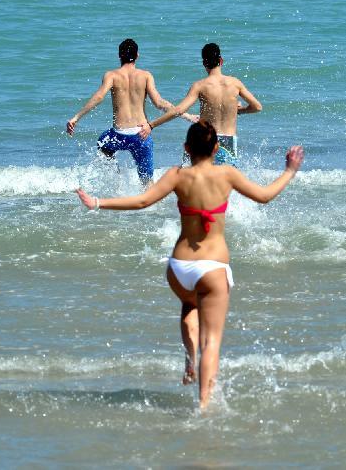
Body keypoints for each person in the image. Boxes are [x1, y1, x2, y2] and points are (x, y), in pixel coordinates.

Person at [76, 121, 304, 409]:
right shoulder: (227, 174)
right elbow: (265, 196)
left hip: (179, 268)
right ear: (217, 148)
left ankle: (189, 359)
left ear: (186, 148)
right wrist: (290, 170)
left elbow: (142, 201)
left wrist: (97, 202)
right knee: (213, 342)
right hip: (212, 267)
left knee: (189, 306)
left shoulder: (177, 175)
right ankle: (204, 406)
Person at [66, 39, 196, 184]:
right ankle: (149, 204)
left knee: (103, 143)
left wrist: (76, 117)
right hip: (141, 134)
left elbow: (98, 97)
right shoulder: (146, 76)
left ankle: (116, 178)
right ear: (137, 55)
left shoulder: (111, 75)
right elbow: (159, 103)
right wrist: (186, 115)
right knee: (147, 182)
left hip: (118, 135)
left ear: (119, 56)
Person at [140, 43, 263, 166]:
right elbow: (257, 107)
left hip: (204, 139)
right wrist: (239, 110)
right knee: (224, 183)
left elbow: (178, 110)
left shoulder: (200, 86)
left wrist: (151, 125)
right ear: (221, 60)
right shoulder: (235, 83)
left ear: (204, 63)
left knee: (191, 180)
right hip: (228, 141)